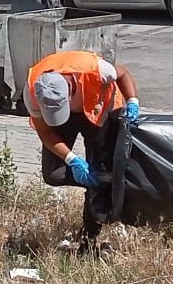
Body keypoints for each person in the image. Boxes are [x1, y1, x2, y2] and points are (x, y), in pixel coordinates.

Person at [27, 50, 142, 251]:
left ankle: (90, 237)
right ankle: (102, 181)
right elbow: (45, 132)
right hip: (70, 116)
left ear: (70, 90)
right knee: (53, 174)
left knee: (98, 176)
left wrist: (132, 100)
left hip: (100, 110)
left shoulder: (95, 69)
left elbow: (122, 73)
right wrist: (71, 159)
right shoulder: (33, 91)